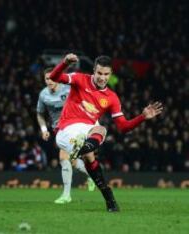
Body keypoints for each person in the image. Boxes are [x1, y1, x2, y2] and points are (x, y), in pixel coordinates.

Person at [50, 54, 163, 212]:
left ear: (110, 74)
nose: (102, 78)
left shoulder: (111, 97)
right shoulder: (79, 79)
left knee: (92, 156)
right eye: (99, 73)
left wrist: (142, 117)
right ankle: (82, 148)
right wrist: (65, 63)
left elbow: (123, 127)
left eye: (106, 74)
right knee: (100, 130)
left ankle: (109, 199)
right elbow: (54, 77)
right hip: (67, 129)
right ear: (94, 71)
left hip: (86, 130)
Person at [37, 68, 95, 204]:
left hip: (72, 124)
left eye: (52, 78)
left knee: (63, 157)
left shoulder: (68, 89)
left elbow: (83, 98)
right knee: (74, 161)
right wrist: (44, 129)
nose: (50, 81)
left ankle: (66, 195)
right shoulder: (43, 95)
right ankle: (91, 175)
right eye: (47, 79)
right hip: (58, 128)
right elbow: (39, 113)